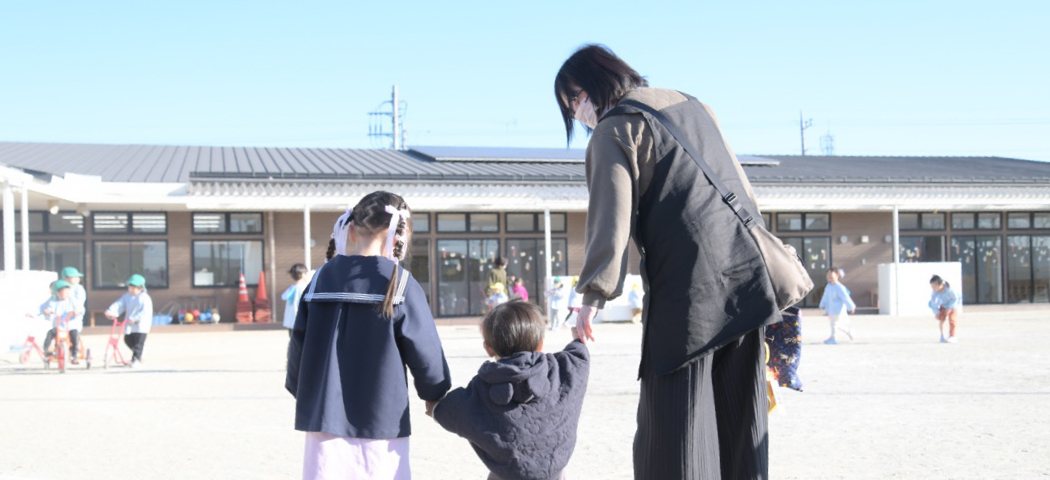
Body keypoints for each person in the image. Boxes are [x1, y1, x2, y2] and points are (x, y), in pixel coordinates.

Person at [555, 44, 779, 479]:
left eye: (575, 99)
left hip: (688, 287)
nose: (578, 112)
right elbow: (742, 189)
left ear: (598, 83)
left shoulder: (614, 129)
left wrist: (593, 296)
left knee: (675, 426)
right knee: (740, 416)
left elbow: (611, 218)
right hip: (749, 274)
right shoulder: (695, 105)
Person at [286, 191, 452, 480]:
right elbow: (425, 350)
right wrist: (434, 394)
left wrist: (303, 391)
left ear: (350, 229)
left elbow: (298, 343)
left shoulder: (320, 279)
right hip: (382, 419)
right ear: (400, 236)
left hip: (324, 417)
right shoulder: (400, 283)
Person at [430, 301, 589, 480]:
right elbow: (578, 359)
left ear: (488, 348)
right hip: (554, 474)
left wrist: (433, 405)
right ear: (541, 344)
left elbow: (447, 411)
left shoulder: (480, 390)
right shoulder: (559, 373)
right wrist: (578, 339)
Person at [104, 274, 153, 367]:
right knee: (127, 340)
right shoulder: (127, 297)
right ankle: (139, 354)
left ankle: (136, 359)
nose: (131, 290)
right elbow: (119, 304)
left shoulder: (145, 298)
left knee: (138, 343)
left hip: (141, 326)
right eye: (130, 287)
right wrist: (111, 311)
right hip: (130, 325)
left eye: (134, 288)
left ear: (141, 288)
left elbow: (145, 312)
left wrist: (134, 318)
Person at [40, 280, 84, 364]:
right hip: (59, 326)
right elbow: (49, 308)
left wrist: (77, 311)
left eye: (68, 292)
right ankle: (47, 352)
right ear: (57, 293)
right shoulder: (53, 301)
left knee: (74, 335)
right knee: (50, 333)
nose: (67, 294)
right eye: (64, 292)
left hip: (70, 325)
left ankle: (74, 354)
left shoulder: (72, 300)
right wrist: (47, 311)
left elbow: (79, 308)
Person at [819, 267, 856, 345]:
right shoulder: (828, 286)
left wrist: (851, 307)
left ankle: (833, 338)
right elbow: (825, 296)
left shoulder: (840, 287)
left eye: (831, 274)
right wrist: (822, 304)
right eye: (828, 274)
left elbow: (846, 297)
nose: (829, 276)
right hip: (830, 309)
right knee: (835, 324)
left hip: (838, 309)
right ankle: (848, 331)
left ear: (837, 275)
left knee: (834, 324)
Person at [929, 275, 961, 343]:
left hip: (952, 305)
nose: (933, 289)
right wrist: (937, 312)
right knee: (941, 319)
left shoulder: (950, 289)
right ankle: (942, 336)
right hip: (943, 305)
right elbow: (933, 302)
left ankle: (952, 336)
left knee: (952, 320)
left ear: (940, 285)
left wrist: (950, 308)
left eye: (934, 287)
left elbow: (955, 299)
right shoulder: (934, 292)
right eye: (932, 287)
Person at [281, 263, 310, 335]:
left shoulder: (291, 288)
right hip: (300, 322)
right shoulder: (303, 288)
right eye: (306, 273)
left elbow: (283, 297)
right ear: (303, 274)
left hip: (290, 322)